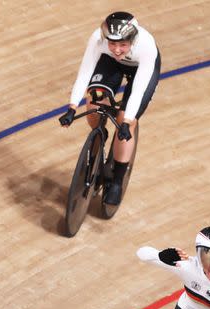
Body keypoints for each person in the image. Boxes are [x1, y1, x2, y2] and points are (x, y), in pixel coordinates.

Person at [58, 12, 161, 206]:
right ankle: (100, 134)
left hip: (141, 69)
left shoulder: (146, 46)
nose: (117, 49)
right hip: (111, 64)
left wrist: (128, 121)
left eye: (123, 44)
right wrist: (72, 107)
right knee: (95, 97)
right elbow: (85, 72)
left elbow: (138, 90)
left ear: (133, 40)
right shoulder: (98, 39)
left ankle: (117, 181)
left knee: (125, 121)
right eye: (112, 44)